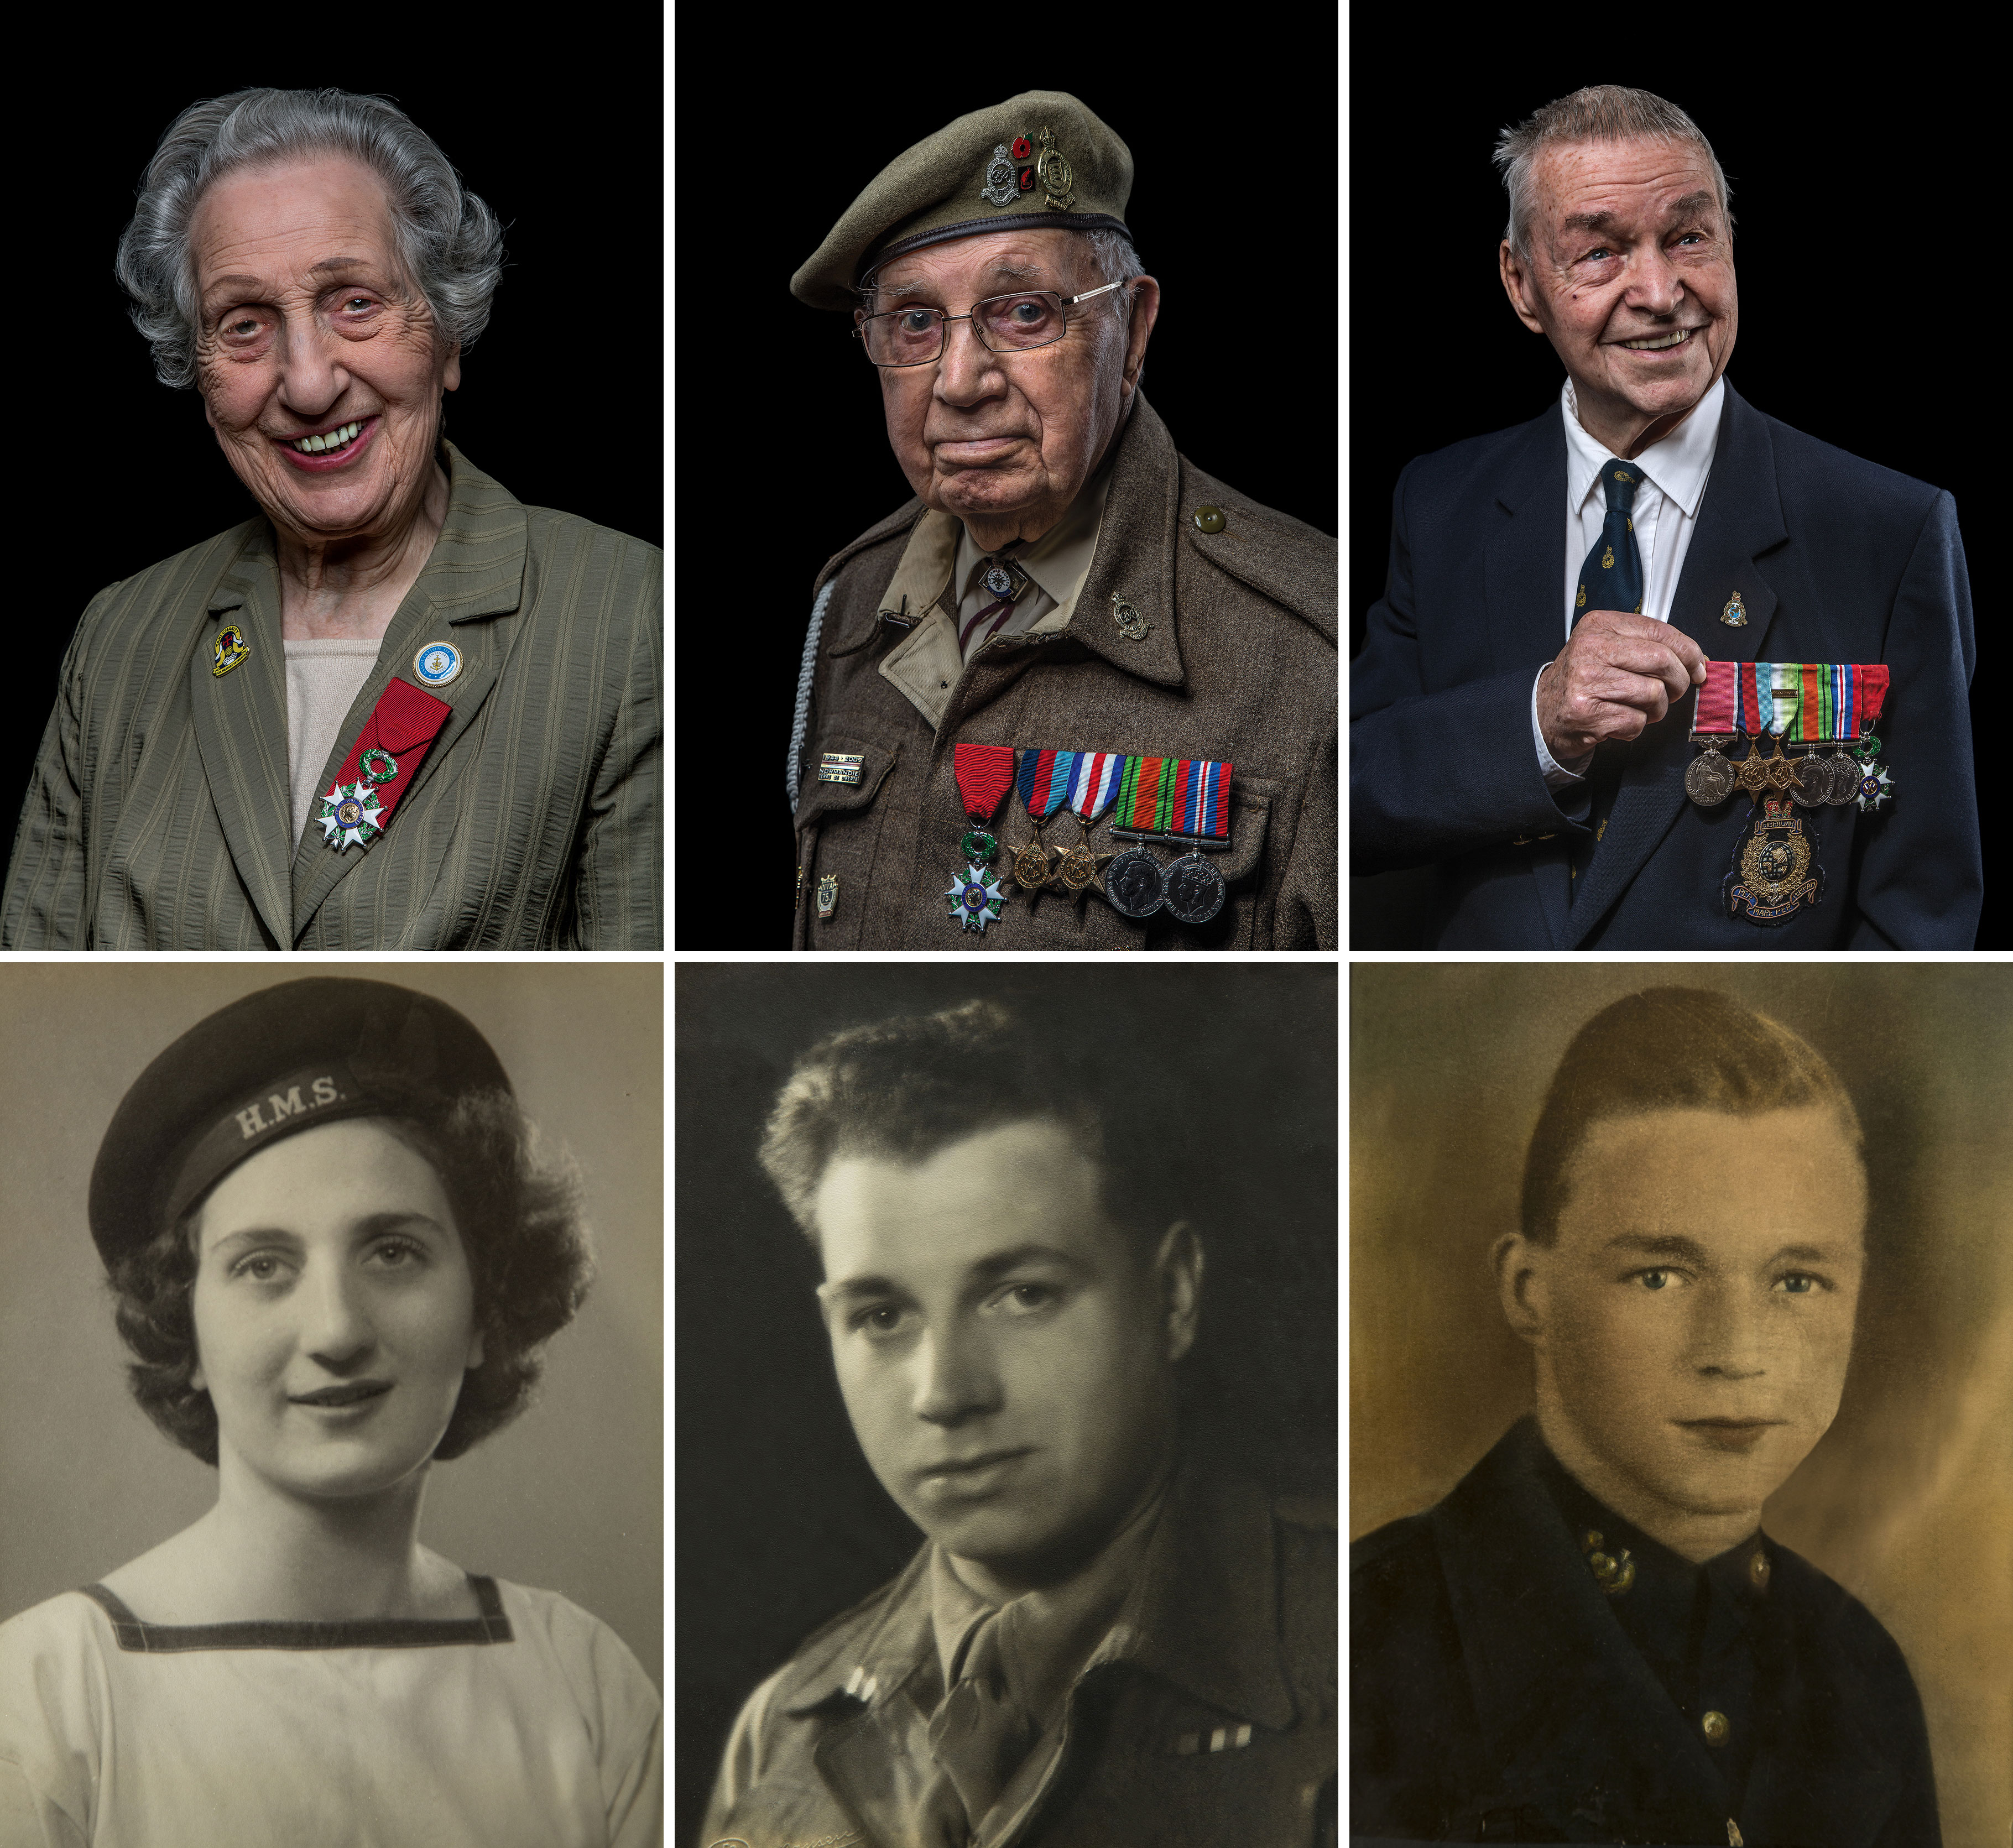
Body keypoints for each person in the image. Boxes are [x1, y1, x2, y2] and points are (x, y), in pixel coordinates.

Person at [0, 978, 663, 1846]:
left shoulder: (582, 1684)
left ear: (483, 1307)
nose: (338, 1328)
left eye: (393, 1251)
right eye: (263, 1266)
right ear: (186, 1328)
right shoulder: (48, 1697)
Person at [2, 87, 661, 951]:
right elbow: (40, 1034)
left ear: (448, 333)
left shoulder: (629, 612)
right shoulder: (119, 636)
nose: (308, 383)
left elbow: (641, 1045)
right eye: (243, 326)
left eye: (355, 302)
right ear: (198, 375)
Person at [1350, 85, 1979, 949]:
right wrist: (1536, 724)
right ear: (1523, 285)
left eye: (1688, 237)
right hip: (1481, 1068)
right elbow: (1348, 800)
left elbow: (1923, 927)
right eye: (1601, 253)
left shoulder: (1891, 530)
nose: (1658, 291)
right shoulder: (1439, 501)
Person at [701, 999, 1336, 1847]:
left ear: (1175, 1294)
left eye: (1022, 1294)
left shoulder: (1365, 1649)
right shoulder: (780, 1732)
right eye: (882, 1315)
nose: (944, 1392)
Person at [1350, 987, 1941, 1846]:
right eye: (1662, 1274)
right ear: (1529, 1290)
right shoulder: (1371, 1642)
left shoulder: (1861, 1673)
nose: (1736, 1351)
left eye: (1796, 1281)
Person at [785, 92, 1337, 951]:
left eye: (1025, 312)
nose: (961, 382)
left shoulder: (1308, 643)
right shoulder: (850, 603)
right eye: (916, 323)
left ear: (1134, 327)